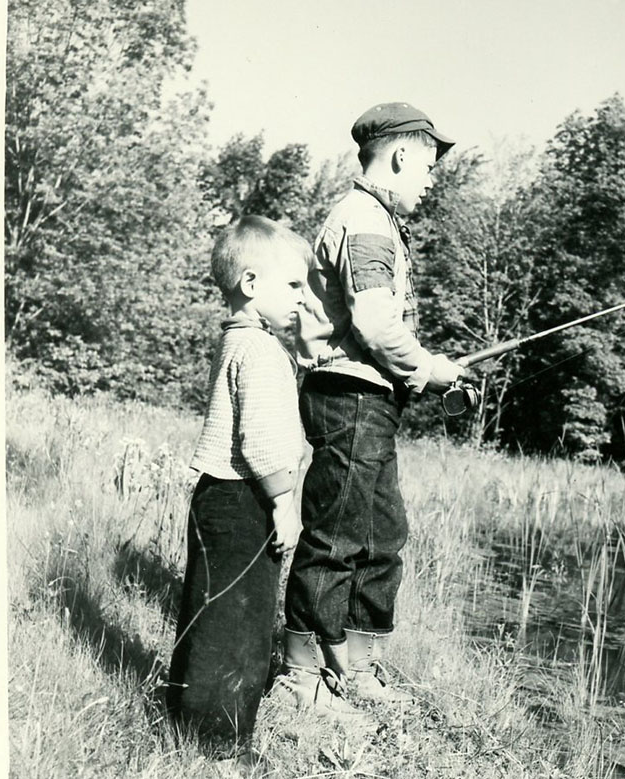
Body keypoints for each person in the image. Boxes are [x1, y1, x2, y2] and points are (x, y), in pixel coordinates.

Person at [279, 102, 464, 714]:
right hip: (349, 397)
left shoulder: (373, 218)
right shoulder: (364, 220)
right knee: (337, 535)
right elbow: (375, 323)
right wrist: (432, 369)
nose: (430, 181)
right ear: (402, 155)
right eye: (428, 168)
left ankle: (357, 664)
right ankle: (301, 675)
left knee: (383, 534)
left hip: (371, 399)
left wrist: (418, 371)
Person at [167, 215, 308, 759]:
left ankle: (184, 714)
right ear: (251, 284)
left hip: (216, 498)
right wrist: (283, 503)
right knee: (240, 622)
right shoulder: (261, 352)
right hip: (247, 500)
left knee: (207, 607)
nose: (302, 298)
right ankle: (219, 742)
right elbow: (265, 442)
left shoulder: (239, 341)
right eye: (293, 285)